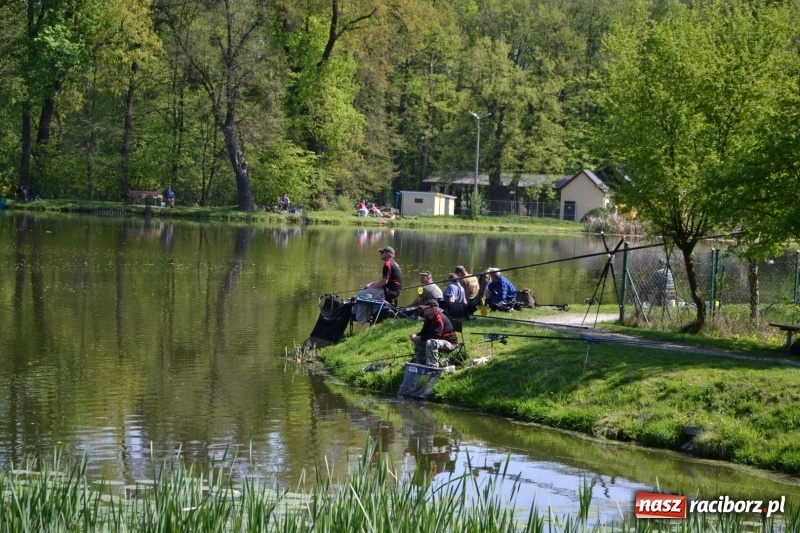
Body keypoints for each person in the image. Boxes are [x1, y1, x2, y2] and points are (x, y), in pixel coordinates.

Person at [409, 299, 457, 366]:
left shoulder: (439, 318)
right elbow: (424, 331)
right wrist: (416, 335)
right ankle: (421, 364)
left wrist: (420, 338)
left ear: (433, 309)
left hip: (450, 343)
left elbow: (436, 335)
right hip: (438, 342)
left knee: (431, 342)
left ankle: (432, 367)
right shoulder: (428, 318)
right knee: (420, 341)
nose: (423, 310)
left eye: (426, 308)